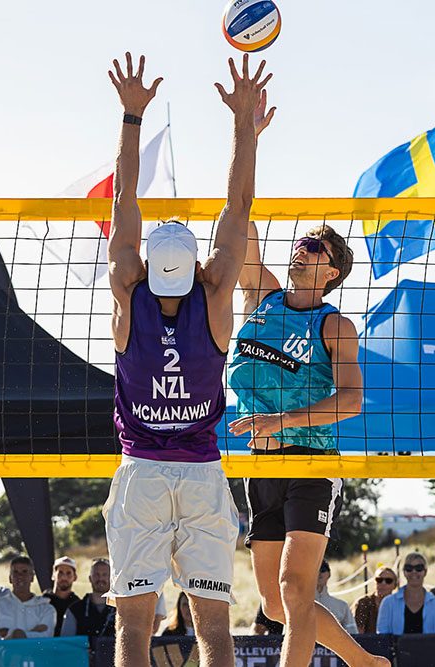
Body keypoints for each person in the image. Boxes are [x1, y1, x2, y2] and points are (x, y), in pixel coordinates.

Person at [101, 51, 272, 667]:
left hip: (143, 473)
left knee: (133, 635)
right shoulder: (218, 296)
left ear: (147, 265)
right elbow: (241, 203)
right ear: (198, 266)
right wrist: (242, 127)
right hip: (202, 473)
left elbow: (123, 195)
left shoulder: (127, 290)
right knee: (215, 636)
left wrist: (130, 115)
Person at [226, 203, 380, 667]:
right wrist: (246, 138)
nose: (300, 250)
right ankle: (365, 662)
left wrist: (284, 419)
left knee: (295, 590)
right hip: (261, 464)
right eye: (299, 243)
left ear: (332, 270)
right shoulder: (260, 295)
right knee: (274, 604)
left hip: (311, 462)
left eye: (314, 247)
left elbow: (351, 401)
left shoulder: (334, 325)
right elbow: (238, 224)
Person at [0, 555, 54, 640]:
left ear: (32, 577)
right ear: (10, 578)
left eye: (24, 572)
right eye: (16, 572)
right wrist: (21, 634)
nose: (20, 576)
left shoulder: (46, 608)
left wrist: (8, 634)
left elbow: (46, 638)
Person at [376, 553, 435, 635]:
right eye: (409, 568)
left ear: (425, 572)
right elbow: (382, 637)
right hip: (397, 648)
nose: (414, 572)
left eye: (419, 568)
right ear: (404, 572)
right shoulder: (388, 603)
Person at [61, 558, 116, 640]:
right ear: (90, 578)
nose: (100, 579)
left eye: (105, 575)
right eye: (96, 574)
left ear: (112, 579)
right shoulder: (75, 610)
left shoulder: (121, 610)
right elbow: (67, 644)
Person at [314, 561, 358, 634]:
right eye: (315, 569)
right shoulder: (299, 604)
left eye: (323, 569)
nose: (319, 573)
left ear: (329, 574)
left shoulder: (342, 606)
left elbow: (353, 635)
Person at [353, 567, 398, 634]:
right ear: (374, 582)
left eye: (388, 581)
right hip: (368, 642)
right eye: (379, 580)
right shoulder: (363, 603)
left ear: (395, 585)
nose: (383, 583)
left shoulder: (399, 604)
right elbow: (358, 632)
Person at [45, 557, 79, 637]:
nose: (64, 577)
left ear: (75, 577)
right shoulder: (43, 602)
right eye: (60, 572)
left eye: (68, 573)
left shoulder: (78, 605)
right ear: (53, 575)